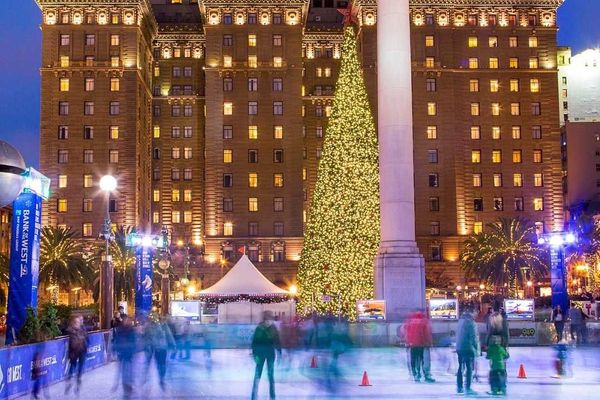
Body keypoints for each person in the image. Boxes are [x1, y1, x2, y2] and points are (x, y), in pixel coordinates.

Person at [251, 311, 282, 400]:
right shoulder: (261, 328)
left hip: (268, 354)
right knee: (260, 374)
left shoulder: (271, 328)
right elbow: (255, 342)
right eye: (268, 318)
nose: (269, 320)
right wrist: (255, 354)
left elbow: (277, 340)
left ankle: (271, 395)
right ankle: (255, 394)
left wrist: (279, 352)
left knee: (269, 374)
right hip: (263, 354)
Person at [144, 315, 176, 390]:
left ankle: (161, 378)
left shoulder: (164, 326)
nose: (156, 321)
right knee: (152, 363)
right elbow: (146, 337)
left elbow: (169, 336)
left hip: (162, 347)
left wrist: (173, 345)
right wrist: (146, 346)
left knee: (162, 364)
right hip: (153, 347)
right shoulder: (149, 327)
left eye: (157, 319)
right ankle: (146, 378)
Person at [405, 310, 435, 383]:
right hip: (422, 344)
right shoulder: (424, 322)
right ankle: (424, 375)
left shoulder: (410, 321)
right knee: (422, 360)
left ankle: (415, 375)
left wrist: (407, 342)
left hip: (412, 344)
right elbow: (427, 333)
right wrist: (430, 342)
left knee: (413, 359)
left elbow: (407, 332)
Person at [456, 308, 480, 395]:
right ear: (473, 312)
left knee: (460, 367)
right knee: (469, 368)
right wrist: (477, 349)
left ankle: (459, 387)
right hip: (468, 348)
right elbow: (474, 338)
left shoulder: (460, 321)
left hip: (459, 347)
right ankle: (468, 388)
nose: (476, 314)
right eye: (476, 312)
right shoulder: (471, 322)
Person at [113, 316, 137, 398]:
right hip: (122, 354)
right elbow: (116, 340)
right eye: (126, 320)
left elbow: (134, 342)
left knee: (128, 371)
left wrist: (133, 349)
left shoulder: (131, 330)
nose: (127, 322)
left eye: (128, 320)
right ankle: (126, 388)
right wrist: (115, 349)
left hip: (129, 354)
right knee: (123, 372)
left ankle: (128, 386)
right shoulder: (119, 330)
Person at [65, 315, 88, 395]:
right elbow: (73, 342)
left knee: (80, 368)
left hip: (82, 351)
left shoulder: (83, 329)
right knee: (72, 366)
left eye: (80, 321)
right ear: (73, 322)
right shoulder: (70, 330)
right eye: (77, 321)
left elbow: (86, 338)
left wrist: (85, 345)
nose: (79, 323)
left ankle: (78, 382)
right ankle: (69, 381)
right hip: (74, 352)